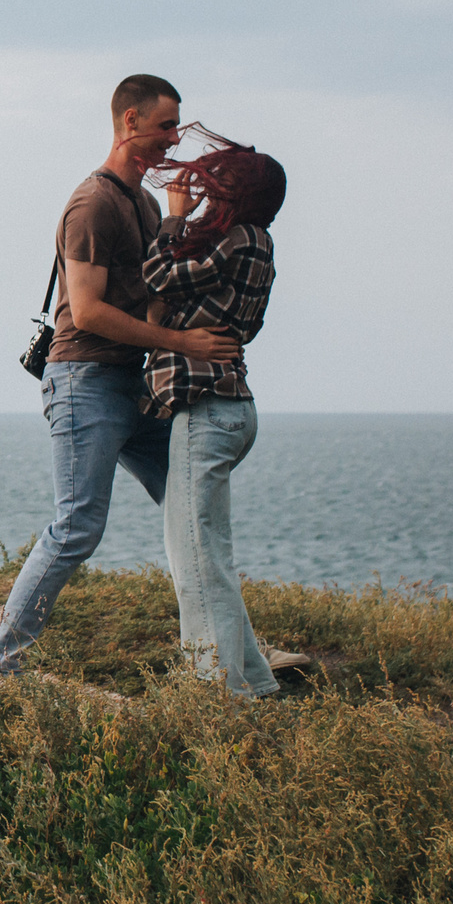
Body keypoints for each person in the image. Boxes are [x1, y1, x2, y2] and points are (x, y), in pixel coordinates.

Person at [0, 75, 243, 675]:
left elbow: (153, 287)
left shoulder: (147, 204)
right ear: (130, 123)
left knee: (193, 512)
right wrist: (182, 342)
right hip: (84, 381)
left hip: (133, 384)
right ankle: (1, 666)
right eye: (165, 127)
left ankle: (225, 656)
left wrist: (178, 223)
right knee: (77, 527)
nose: (174, 140)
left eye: (177, 127)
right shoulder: (92, 203)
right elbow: (90, 309)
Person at [141, 132, 299, 697]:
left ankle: (217, 700)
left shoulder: (240, 240)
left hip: (208, 410)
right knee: (208, 554)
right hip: (228, 407)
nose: (204, 194)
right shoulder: (256, 243)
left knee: (197, 563)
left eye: (215, 187)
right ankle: (255, 683)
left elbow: (157, 277)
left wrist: (173, 220)